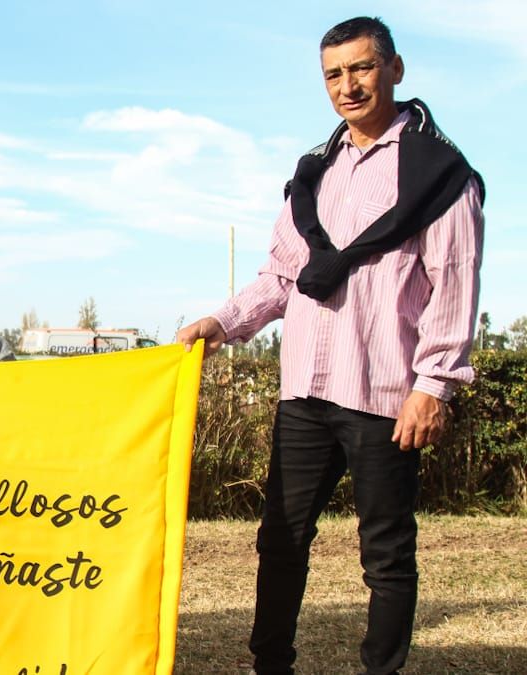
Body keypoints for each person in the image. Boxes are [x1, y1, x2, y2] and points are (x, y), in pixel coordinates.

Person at [176, 17, 483, 675]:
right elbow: (282, 274)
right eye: (334, 74)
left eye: (362, 68)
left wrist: (434, 385)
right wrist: (222, 322)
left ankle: (381, 669)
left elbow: (453, 283)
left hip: (384, 393)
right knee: (279, 542)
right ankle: (270, 665)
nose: (349, 85)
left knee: (387, 552)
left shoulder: (437, 173)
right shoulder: (314, 172)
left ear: (395, 70)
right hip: (303, 396)